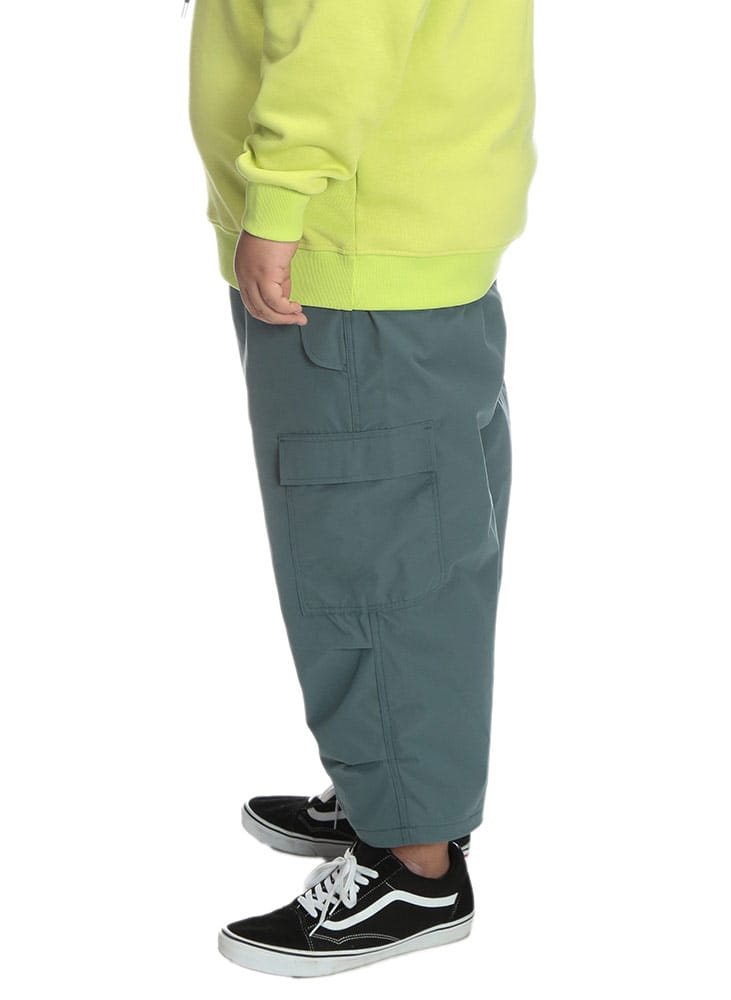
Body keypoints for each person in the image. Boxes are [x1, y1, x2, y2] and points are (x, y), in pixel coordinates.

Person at [187, 0, 536, 978]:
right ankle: (396, 787)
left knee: (373, 561)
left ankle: (412, 864)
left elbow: (343, 23)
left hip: (348, 250)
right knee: (421, 552)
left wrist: (280, 201)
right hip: (398, 239)